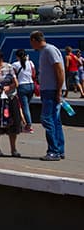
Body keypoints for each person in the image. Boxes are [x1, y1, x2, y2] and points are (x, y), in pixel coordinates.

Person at [31, 30, 66, 161]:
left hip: (51, 90)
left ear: (34, 40)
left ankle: (53, 151)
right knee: (55, 121)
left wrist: (58, 90)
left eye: (31, 42)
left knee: (47, 119)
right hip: (49, 90)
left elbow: (60, 70)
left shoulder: (49, 50)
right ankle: (59, 149)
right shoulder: (46, 51)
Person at [12, 48, 36, 132]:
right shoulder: (30, 62)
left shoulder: (15, 64)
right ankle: (25, 123)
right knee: (26, 106)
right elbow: (34, 74)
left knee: (24, 107)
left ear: (17, 56)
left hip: (22, 86)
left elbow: (13, 76)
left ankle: (28, 125)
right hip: (31, 85)